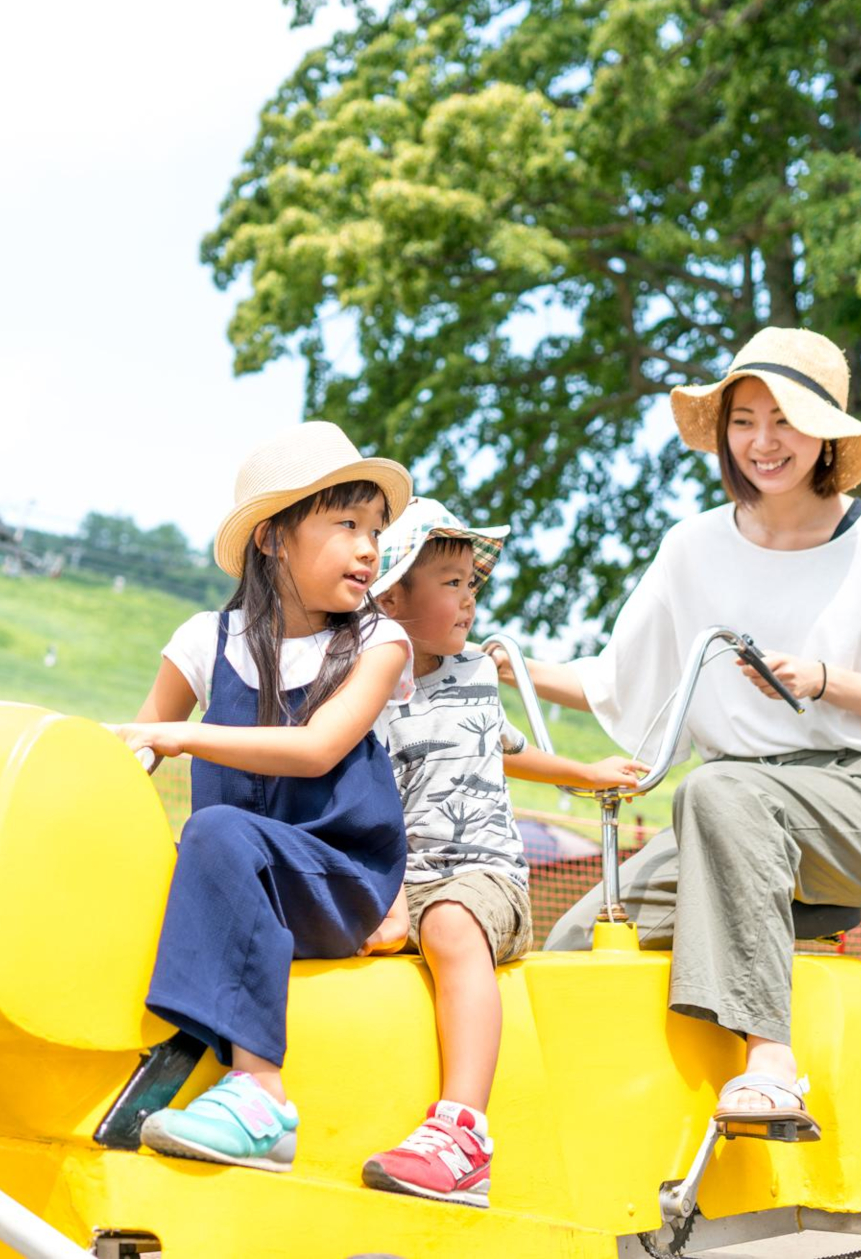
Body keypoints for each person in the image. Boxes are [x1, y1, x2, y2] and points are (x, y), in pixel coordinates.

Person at [500, 327, 861, 1131]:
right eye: (744, 419)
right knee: (583, 935)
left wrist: (823, 679)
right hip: (720, 819)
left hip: (852, 803)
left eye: (783, 419)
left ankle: (772, 1064)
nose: (762, 441)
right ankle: (594, 1126)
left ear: (824, 433)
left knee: (719, 788)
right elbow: (618, 681)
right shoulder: (691, 548)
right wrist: (506, 665)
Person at [110, 420, 414, 1174]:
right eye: (345, 524)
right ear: (275, 537)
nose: (369, 547)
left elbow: (315, 749)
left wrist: (188, 737)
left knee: (216, 832)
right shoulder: (202, 639)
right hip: (243, 874)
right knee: (187, 853)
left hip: (337, 877)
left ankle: (262, 1097)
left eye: (374, 528)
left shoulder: (379, 644)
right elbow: (133, 751)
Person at [358, 497, 646, 1208]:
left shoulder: (478, 675)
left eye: (472, 583)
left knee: (452, 925)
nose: (470, 599)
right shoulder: (368, 689)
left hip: (479, 876)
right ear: (394, 598)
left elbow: (509, 751)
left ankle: (462, 1134)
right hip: (401, 878)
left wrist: (586, 774)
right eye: (451, 583)